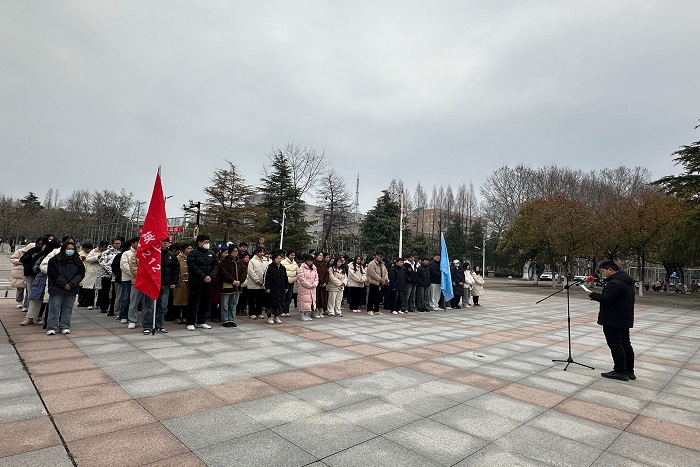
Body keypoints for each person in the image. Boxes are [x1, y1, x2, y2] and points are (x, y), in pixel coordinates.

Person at [585, 260, 636, 381]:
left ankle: (620, 371)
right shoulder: (626, 281)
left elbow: (607, 299)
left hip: (613, 318)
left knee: (616, 344)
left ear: (610, 269)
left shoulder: (614, 283)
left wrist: (592, 294)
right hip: (624, 317)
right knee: (625, 344)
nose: (602, 273)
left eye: (603, 271)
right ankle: (629, 371)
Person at [46, 241, 85, 335]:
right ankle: (52, 327)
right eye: (68, 249)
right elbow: (52, 273)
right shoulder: (54, 260)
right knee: (54, 308)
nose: (70, 251)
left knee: (68, 308)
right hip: (57, 288)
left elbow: (81, 274)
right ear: (64, 249)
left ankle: (65, 326)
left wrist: (72, 284)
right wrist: (64, 284)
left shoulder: (78, 261)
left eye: (72, 249)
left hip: (72, 288)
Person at [142, 238, 179, 334]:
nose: (165, 243)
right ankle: (147, 325)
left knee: (163, 305)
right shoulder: (152, 254)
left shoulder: (172, 255)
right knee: (149, 306)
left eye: (167, 241)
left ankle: (159, 325)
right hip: (152, 284)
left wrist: (174, 282)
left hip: (166, 284)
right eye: (163, 241)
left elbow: (175, 270)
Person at [186, 234, 219, 331]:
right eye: (205, 242)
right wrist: (203, 276)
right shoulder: (192, 253)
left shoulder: (212, 253)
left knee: (205, 302)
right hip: (196, 281)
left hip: (208, 282)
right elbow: (193, 266)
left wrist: (210, 276)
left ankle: (201, 321)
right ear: (199, 243)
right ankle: (190, 322)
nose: (207, 244)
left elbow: (215, 265)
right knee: (193, 302)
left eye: (208, 242)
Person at [218, 244, 246, 327]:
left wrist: (240, 280)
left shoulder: (239, 261)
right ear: (229, 252)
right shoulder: (224, 261)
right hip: (227, 285)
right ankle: (225, 320)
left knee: (234, 303)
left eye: (236, 251)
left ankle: (231, 319)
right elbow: (223, 273)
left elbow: (244, 271)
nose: (235, 253)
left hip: (237, 286)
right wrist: (232, 280)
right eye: (233, 251)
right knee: (225, 304)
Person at [82, 241, 107, 310]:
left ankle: (99, 303)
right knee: (91, 289)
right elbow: (88, 259)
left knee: (100, 289)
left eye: (105, 248)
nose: (103, 249)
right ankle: (90, 304)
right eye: (102, 247)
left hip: (101, 272)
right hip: (93, 271)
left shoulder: (107, 252)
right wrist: (97, 257)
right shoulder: (93, 251)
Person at [264, 251, 287, 323]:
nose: (279, 260)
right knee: (270, 303)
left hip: (280, 288)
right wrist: (267, 287)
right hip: (272, 288)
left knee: (279, 303)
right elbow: (266, 278)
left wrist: (286, 286)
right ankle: (269, 317)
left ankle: (276, 316)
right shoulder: (270, 267)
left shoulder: (282, 268)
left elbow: (285, 278)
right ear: (273, 259)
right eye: (277, 258)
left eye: (280, 258)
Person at [172, 243, 192, 323]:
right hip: (180, 281)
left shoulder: (192, 257)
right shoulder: (178, 258)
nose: (189, 250)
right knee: (178, 299)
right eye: (188, 248)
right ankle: (176, 316)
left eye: (191, 248)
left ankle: (185, 316)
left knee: (187, 300)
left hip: (189, 281)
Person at [246, 245, 268, 319]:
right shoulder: (252, 261)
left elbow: (267, 271)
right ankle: (252, 313)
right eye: (260, 252)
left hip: (262, 284)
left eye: (263, 252)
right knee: (252, 299)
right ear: (257, 252)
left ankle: (259, 313)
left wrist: (264, 281)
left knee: (260, 299)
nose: (262, 253)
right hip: (253, 284)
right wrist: (257, 281)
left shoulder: (265, 261)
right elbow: (250, 272)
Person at [296, 254, 319, 321]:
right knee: (303, 301)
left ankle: (307, 314)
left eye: (311, 260)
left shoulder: (314, 268)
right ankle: (302, 315)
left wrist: (314, 284)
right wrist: (309, 285)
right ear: (305, 260)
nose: (310, 262)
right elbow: (302, 279)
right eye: (309, 260)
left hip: (312, 288)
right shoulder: (301, 268)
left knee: (309, 301)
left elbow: (316, 278)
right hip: (304, 288)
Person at [366, 251, 389, 315]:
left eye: (382, 257)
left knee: (379, 297)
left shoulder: (382, 264)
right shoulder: (372, 263)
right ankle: (369, 310)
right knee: (372, 296)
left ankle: (376, 310)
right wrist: (380, 279)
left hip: (381, 283)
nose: (381, 258)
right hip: (374, 282)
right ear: (376, 256)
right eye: (380, 256)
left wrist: (386, 278)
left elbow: (385, 272)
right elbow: (372, 273)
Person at [280, 250, 298, 317]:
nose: (293, 256)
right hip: (284, 283)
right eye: (291, 255)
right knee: (283, 297)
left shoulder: (295, 263)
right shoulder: (283, 262)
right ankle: (282, 310)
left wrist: (295, 279)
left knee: (289, 297)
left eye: (294, 255)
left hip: (291, 282)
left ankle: (287, 311)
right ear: (288, 255)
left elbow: (297, 272)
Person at [313, 252, 329, 318]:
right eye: (319, 255)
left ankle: (321, 311)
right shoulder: (314, 264)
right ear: (316, 256)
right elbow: (316, 274)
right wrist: (321, 282)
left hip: (323, 285)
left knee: (322, 298)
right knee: (316, 298)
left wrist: (325, 282)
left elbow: (327, 273)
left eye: (322, 256)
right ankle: (315, 312)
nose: (321, 257)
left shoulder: (323, 264)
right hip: (317, 284)